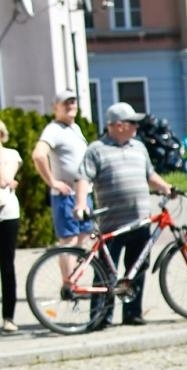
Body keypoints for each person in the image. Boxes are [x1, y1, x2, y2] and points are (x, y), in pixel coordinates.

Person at [73, 102, 177, 327]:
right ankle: (100, 317)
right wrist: (80, 203)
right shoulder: (96, 149)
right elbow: (83, 178)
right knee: (106, 273)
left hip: (139, 220)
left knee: (137, 267)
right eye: (132, 123)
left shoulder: (138, 147)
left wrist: (166, 187)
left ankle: (132, 313)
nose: (136, 127)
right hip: (112, 222)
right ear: (118, 125)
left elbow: (150, 174)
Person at [32, 90, 92, 269]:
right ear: (55, 108)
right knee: (69, 241)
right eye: (66, 103)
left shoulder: (75, 128)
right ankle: (68, 286)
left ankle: (76, 281)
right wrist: (53, 182)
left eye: (73, 102)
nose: (71, 106)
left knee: (83, 238)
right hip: (66, 197)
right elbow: (38, 155)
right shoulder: (53, 129)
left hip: (83, 194)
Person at [0, 120, 20, 333]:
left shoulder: (11, 155)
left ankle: (9, 317)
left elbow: (5, 180)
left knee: (7, 266)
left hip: (7, 214)